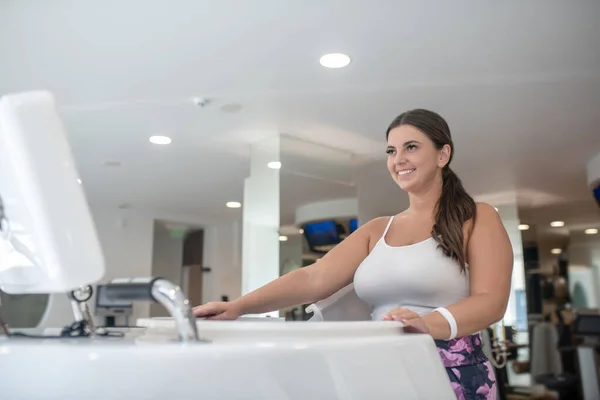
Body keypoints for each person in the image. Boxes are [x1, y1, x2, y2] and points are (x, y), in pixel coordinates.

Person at [193, 109, 513, 400]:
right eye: (391, 150)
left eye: (411, 147)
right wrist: (238, 306)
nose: (398, 159)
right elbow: (313, 277)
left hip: (451, 372)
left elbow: (491, 301)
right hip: (378, 368)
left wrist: (425, 324)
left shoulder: (478, 216)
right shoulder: (377, 229)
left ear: (443, 154)